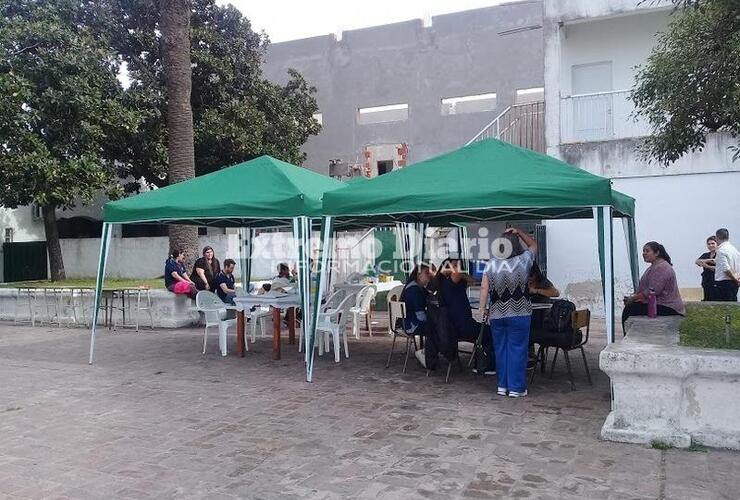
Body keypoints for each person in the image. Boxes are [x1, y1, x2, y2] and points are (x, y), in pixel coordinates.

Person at [479, 227, 537, 398]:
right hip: (520, 314)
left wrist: (482, 309)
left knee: (501, 350)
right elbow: (534, 245)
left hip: (497, 314)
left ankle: (502, 386)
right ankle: (516, 388)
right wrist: (519, 232)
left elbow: (484, 288)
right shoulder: (524, 260)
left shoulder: (491, 264)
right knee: (517, 350)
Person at [432, 258, 495, 375]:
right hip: (461, 327)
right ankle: (486, 365)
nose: (458, 268)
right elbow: (459, 275)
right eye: (454, 266)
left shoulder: (450, 283)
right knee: (491, 332)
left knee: (485, 331)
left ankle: (481, 362)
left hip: (455, 327)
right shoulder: (448, 283)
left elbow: (474, 281)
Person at [622, 242, 685, 330]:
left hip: (668, 307)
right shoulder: (654, 267)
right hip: (658, 304)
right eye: (643, 251)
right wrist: (632, 297)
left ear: (657, 253)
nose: (644, 253)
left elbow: (653, 291)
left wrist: (633, 298)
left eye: (647, 251)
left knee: (630, 309)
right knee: (631, 307)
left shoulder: (662, 268)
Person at [399, 264, 432, 367]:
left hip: (409, 322)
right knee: (440, 328)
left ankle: (429, 353)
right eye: (427, 273)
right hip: (412, 324)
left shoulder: (417, 287)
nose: (429, 276)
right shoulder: (414, 290)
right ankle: (426, 353)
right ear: (418, 274)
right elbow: (420, 315)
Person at [714, 228, 740, 302]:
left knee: (723, 308)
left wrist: (735, 279)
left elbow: (726, 269)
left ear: (717, 238)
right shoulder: (734, 249)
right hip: (734, 282)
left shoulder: (721, 250)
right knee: (732, 305)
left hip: (724, 283)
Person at [695, 236, 718, 301]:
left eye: (713, 243)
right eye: (709, 244)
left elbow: (719, 268)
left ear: (717, 244)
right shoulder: (705, 255)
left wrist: (706, 266)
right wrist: (710, 260)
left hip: (716, 282)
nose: (710, 245)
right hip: (706, 281)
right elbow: (697, 261)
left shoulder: (720, 255)